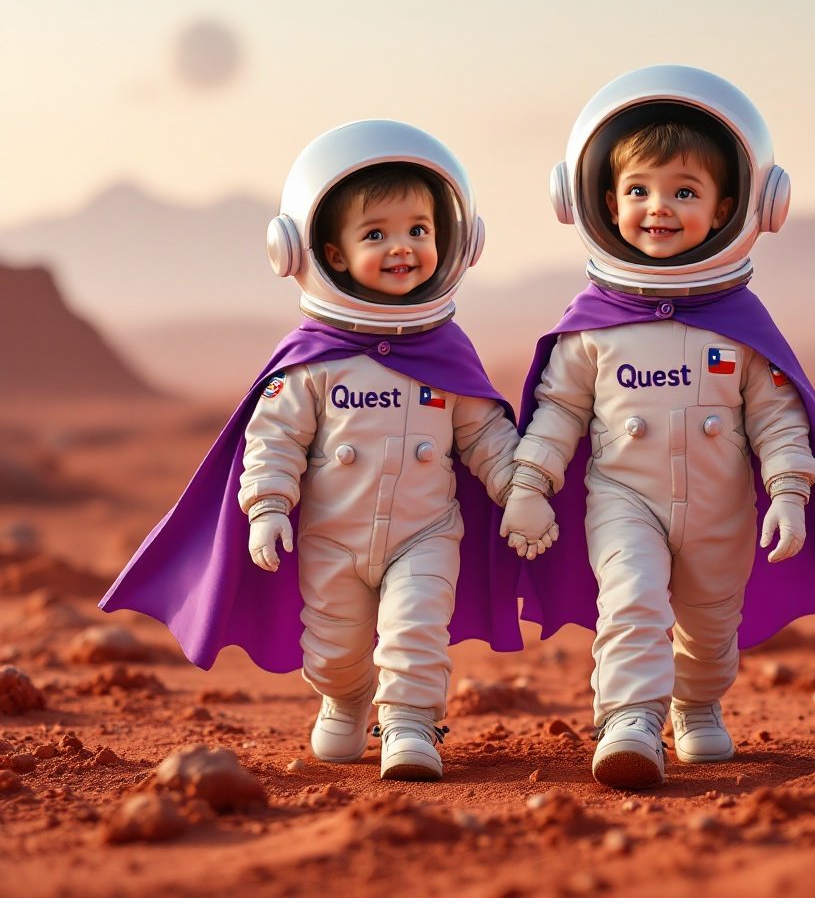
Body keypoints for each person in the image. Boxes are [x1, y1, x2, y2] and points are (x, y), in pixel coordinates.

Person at [501, 65, 815, 790]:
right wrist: (532, 481)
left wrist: (789, 492)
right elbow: (558, 413)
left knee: (709, 628)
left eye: (684, 192)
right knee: (630, 597)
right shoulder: (592, 332)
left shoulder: (742, 332)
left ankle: (696, 704)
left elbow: (781, 418)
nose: (658, 208)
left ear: (734, 206)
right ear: (596, 202)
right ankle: (629, 718)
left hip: (721, 513)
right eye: (639, 191)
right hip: (622, 500)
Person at [102, 120, 536, 782]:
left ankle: (412, 726)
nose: (403, 248)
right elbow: (272, 439)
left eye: (419, 230)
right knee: (332, 648)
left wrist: (519, 488)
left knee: (417, 630)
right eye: (377, 235)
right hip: (331, 540)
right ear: (327, 255)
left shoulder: (447, 353)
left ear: (454, 241)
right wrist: (270, 505)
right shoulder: (310, 365)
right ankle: (344, 695)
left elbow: (483, 435)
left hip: (425, 533)